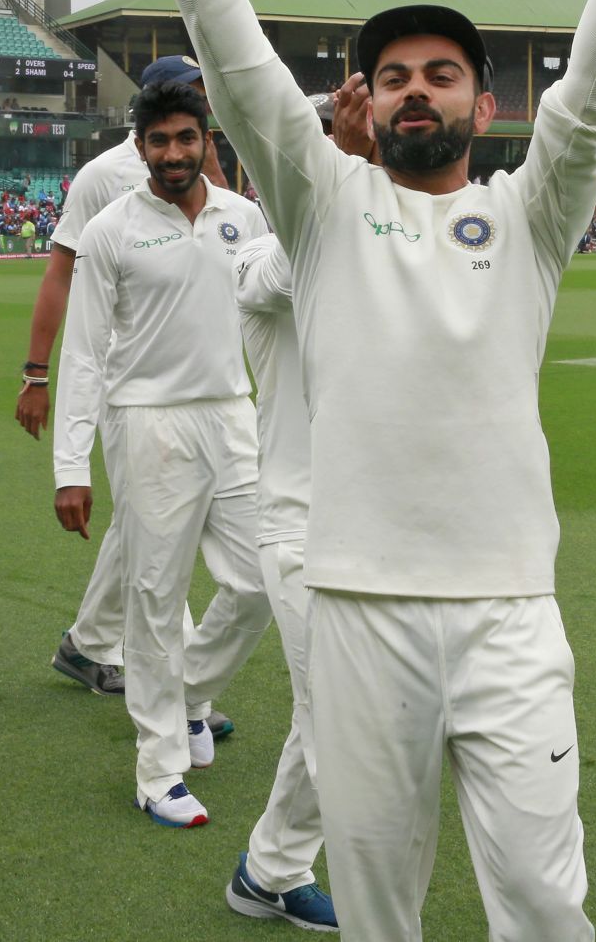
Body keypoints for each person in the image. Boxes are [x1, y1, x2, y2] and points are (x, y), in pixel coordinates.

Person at [109, 0, 596, 937]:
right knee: (382, 909)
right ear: (367, 106)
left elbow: (583, 110)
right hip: (357, 605)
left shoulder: (529, 217)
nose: (416, 87)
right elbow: (241, 77)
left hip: (509, 610)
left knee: (542, 898)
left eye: (441, 72)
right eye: (392, 75)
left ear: (484, 103)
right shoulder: (325, 207)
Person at [52, 80, 272, 829]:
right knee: (153, 596)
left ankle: (188, 697)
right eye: (159, 141)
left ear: (207, 138)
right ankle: (157, 770)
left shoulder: (244, 217)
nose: (173, 154)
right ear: (139, 145)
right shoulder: (111, 228)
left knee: (258, 584)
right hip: (146, 421)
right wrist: (71, 467)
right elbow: (82, 353)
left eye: (186, 138)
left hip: (232, 415)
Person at [20, 56, 228, 699]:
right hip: (124, 381)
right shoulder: (101, 177)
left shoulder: (206, 162)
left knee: (140, 522)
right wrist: (37, 371)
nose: (199, 106)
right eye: (193, 93)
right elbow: (62, 273)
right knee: (157, 533)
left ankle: (86, 644)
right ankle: (181, 693)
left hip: (198, 384)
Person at [224, 87, 370, 930]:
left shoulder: (380, 234)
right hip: (299, 526)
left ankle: (269, 866)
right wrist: (347, 164)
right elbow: (288, 269)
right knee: (342, 715)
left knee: (335, 707)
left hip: (379, 519)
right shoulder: (255, 253)